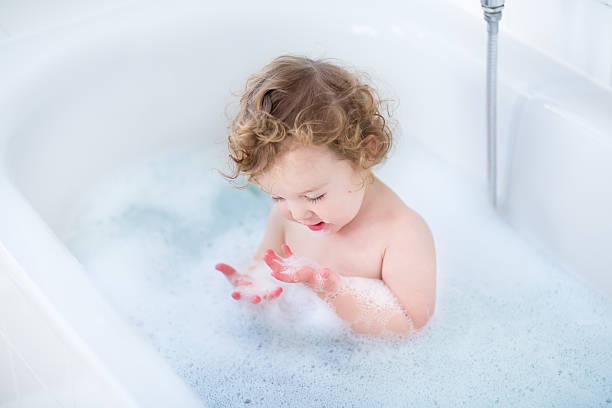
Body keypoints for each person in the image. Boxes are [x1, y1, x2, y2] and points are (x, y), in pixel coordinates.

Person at [216, 55, 436, 336]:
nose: (296, 214)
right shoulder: (291, 214)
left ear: (365, 153)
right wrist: (255, 287)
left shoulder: (402, 233)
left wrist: (331, 291)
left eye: (314, 196)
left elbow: (411, 326)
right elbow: (261, 262)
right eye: (277, 197)